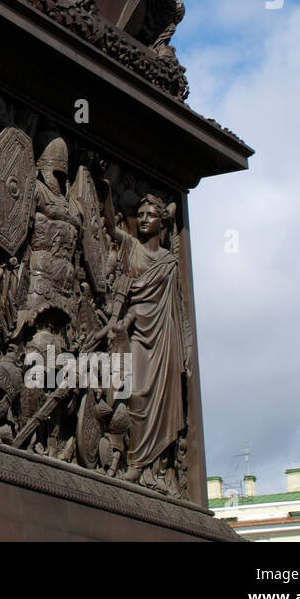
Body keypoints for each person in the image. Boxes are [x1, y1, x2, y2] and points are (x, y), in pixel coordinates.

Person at [108, 195, 186, 485]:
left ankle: (152, 467)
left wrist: (186, 348)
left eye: (149, 215)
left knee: (161, 400)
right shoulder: (131, 247)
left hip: (164, 336)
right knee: (137, 392)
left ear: (160, 221)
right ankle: (136, 461)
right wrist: (103, 187)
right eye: (139, 214)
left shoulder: (169, 262)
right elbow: (109, 225)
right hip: (138, 331)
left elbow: (179, 306)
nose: (142, 219)